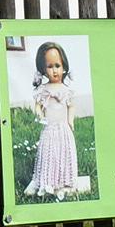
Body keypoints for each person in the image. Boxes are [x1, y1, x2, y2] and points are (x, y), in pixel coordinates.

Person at [24, 43, 82, 198]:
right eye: (50, 67)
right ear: (43, 70)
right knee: (49, 154)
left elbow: (71, 106)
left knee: (64, 153)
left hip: (63, 128)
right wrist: (40, 115)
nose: (54, 70)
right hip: (49, 129)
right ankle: (47, 180)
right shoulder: (43, 90)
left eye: (57, 66)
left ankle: (64, 182)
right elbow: (38, 106)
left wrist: (70, 121)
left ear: (64, 67)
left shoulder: (66, 90)